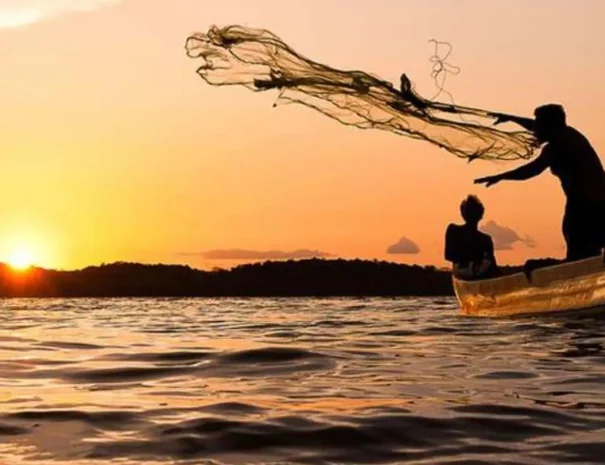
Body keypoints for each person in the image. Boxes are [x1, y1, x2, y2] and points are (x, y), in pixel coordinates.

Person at [475, 104, 605, 261]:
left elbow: (531, 170)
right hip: (595, 204)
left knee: (579, 255)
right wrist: (512, 118)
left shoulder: (556, 148)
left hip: (585, 209)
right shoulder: (570, 134)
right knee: (589, 253)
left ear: (549, 126)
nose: (535, 129)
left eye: (539, 124)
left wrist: (500, 176)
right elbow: (534, 126)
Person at [445, 195, 499, 280]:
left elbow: (493, 266)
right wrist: (472, 261)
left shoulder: (485, 239)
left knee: (486, 266)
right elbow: (449, 255)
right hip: (465, 272)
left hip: (481, 275)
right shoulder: (454, 230)